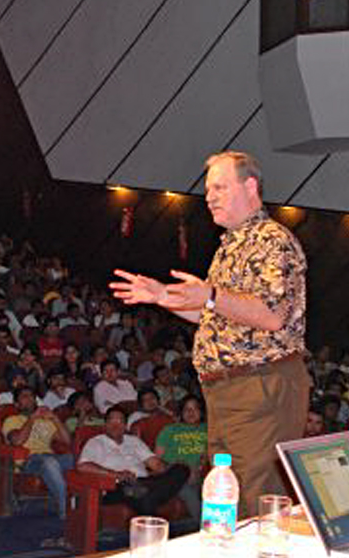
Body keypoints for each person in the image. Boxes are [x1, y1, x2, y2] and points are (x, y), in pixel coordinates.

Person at [110, 151, 310, 514]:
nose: (209, 196)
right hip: (227, 391)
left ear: (250, 187)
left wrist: (212, 295)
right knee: (226, 498)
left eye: (220, 187)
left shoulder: (271, 240)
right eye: (207, 189)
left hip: (260, 387)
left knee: (254, 498)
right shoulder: (230, 246)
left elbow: (272, 316)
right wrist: (160, 296)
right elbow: (211, 315)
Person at [77, 407, 190, 516]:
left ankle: (149, 495)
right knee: (137, 491)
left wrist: (172, 466)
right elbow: (83, 466)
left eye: (120, 421)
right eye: (111, 421)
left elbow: (156, 465)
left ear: (125, 426)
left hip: (143, 482)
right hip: (115, 486)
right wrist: (117, 475)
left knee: (181, 470)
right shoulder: (95, 442)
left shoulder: (134, 441)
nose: (115, 425)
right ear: (105, 425)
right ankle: (149, 497)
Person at [1, 387, 74, 519]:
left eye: (31, 396)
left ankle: (88, 504)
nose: (29, 399)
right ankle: (66, 511)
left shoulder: (45, 421)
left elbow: (67, 441)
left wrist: (55, 418)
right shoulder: (11, 420)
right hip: (28, 461)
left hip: (50, 457)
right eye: (24, 396)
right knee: (49, 462)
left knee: (75, 459)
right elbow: (17, 441)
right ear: (17, 404)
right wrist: (32, 419)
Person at [154, 396, 208, 518]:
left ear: (201, 412)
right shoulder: (170, 430)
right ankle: (203, 526)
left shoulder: (208, 429)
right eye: (186, 409)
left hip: (199, 473)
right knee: (188, 490)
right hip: (174, 473)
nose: (190, 413)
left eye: (195, 409)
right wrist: (177, 470)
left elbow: (210, 453)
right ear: (181, 413)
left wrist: (198, 469)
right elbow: (157, 459)